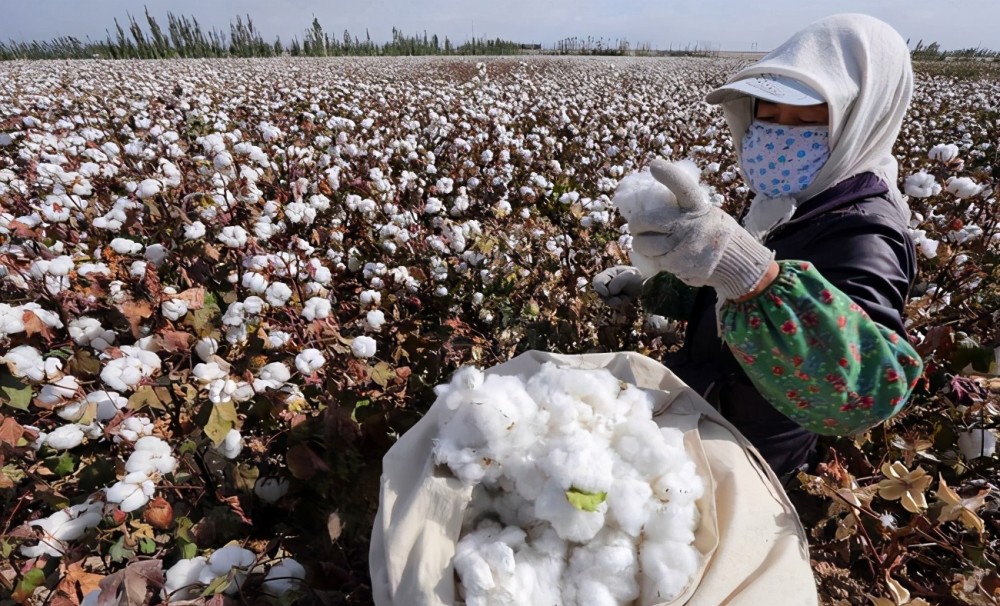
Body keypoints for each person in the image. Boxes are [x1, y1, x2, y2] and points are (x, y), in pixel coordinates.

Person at [593, 13, 924, 480]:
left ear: (862, 116)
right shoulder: (793, 202)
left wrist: (747, 272)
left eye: (808, 118)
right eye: (770, 113)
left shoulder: (863, 232)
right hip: (711, 422)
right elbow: (737, 296)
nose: (781, 133)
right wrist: (655, 289)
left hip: (754, 461)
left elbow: (864, 394)